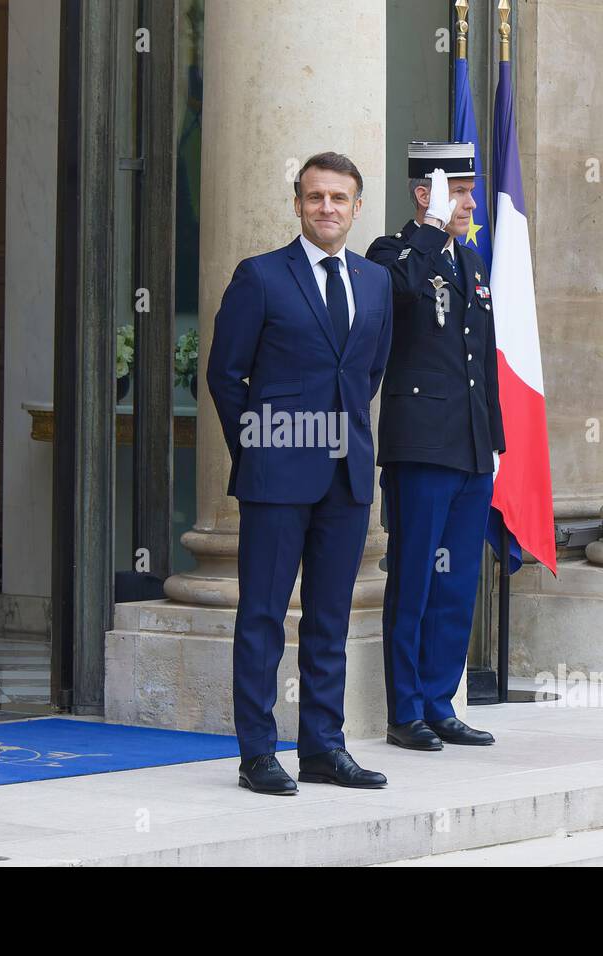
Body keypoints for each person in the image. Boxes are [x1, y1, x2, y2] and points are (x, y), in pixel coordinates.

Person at [207, 152, 393, 795]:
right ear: (297, 204)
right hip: (276, 472)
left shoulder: (375, 283)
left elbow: (367, 375)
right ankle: (257, 751)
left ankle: (323, 746)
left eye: (339, 198)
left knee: (329, 616)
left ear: (357, 207)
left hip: (346, 476)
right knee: (262, 614)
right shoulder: (260, 277)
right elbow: (225, 376)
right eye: (315, 197)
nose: (327, 208)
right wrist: (257, 447)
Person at [365, 143, 504, 751]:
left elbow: (484, 364)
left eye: (471, 192)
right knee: (416, 579)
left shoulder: (472, 263)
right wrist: (426, 231)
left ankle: (440, 700)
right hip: (421, 449)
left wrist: (495, 439)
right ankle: (405, 710)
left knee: (457, 583)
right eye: (460, 191)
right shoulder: (392, 254)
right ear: (425, 195)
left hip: (472, 449)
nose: (471, 203)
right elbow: (393, 298)